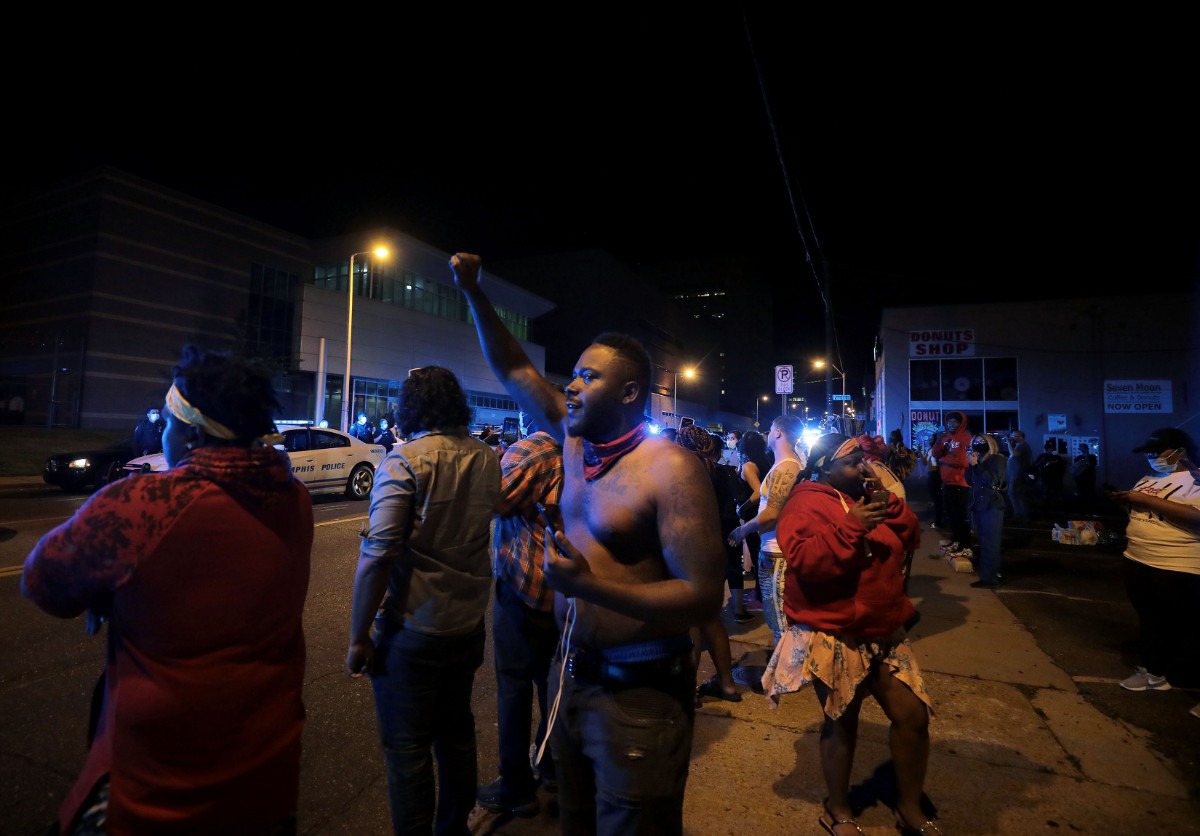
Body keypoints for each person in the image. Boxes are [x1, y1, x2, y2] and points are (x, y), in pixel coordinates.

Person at [451, 252, 724, 835]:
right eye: (573, 374)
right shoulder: (575, 448)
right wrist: (473, 292)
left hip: (641, 695)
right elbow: (516, 372)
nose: (570, 386)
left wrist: (587, 587)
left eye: (588, 377)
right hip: (570, 673)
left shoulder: (670, 469)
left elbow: (703, 596)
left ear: (629, 394)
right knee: (573, 820)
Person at [22, 344, 314, 835]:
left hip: (158, 791)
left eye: (168, 423)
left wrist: (105, 594)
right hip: (266, 778)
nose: (162, 432)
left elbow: (42, 582)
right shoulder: (294, 501)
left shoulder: (142, 504)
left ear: (193, 432)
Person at [345, 366, 502, 835]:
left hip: (412, 627)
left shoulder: (405, 460)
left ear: (409, 407)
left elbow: (379, 556)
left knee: (408, 751)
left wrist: (357, 638)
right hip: (467, 624)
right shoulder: (487, 457)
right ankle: (453, 829)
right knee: (456, 735)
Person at [762, 433, 937, 836]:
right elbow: (806, 562)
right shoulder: (806, 501)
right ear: (824, 465)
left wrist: (887, 503)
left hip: (884, 631)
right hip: (836, 633)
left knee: (912, 716)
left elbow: (910, 536)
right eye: (853, 460)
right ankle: (839, 810)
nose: (863, 466)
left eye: (864, 459)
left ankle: (909, 808)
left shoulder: (865, 494)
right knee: (843, 721)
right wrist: (850, 528)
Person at [477, 410, 564, 818]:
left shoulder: (534, 449)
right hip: (566, 593)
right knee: (554, 683)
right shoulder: (582, 448)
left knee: (514, 686)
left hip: (524, 586)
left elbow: (489, 499)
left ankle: (516, 785)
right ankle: (553, 767)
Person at [1107, 427, 1200, 707]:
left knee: (1186, 626)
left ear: (1180, 452)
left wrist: (1145, 499)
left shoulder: (1194, 479)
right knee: (1150, 619)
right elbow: (1145, 513)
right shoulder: (1150, 477)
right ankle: (1154, 674)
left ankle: (1186, 678)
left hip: (1177, 564)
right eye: (1147, 453)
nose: (1150, 457)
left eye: (1156, 452)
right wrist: (1126, 502)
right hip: (1139, 558)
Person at [675, 425, 745, 704]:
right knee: (711, 620)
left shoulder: (682, 472)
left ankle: (688, 690)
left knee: (690, 622)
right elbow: (733, 511)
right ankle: (727, 684)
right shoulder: (723, 472)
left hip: (688, 552)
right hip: (717, 552)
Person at [728, 415, 806, 649]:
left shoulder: (787, 466)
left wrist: (743, 530)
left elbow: (772, 513)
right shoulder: (784, 463)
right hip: (772, 550)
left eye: (771, 429)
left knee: (780, 621)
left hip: (777, 553)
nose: (768, 433)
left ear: (779, 433)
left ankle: (785, 676)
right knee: (777, 618)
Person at [967, 433, 1007, 589]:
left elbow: (993, 481)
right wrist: (971, 464)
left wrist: (977, 465)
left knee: (991, 543)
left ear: (990, 443)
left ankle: (990, 578)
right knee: (984, 542)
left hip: (992, 506)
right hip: (979, 506)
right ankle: (989, 573)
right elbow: (969, 480)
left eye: (982, 441)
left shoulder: (997, 459)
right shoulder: (980, 460)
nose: (978, 444)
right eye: (975, 442)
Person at [930, 411, 972, 558]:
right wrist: (938, 441)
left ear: (961, 423)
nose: (951, 424)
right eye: (949, 421)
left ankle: (966, 545)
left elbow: (963, 461)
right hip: (947, 482)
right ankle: (956, 541)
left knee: (961, 516)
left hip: (960, 483)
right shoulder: (947, 438)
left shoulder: (966, 438)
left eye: (955, 422)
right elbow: (935, 454)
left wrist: (944, 460)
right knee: (952, 515)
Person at [736, 430, 773, 594]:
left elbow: (758, 491)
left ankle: (760, 593)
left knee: (756, 551)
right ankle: (764, 591)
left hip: (754, 513)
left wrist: (742, 508)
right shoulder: (767, 461)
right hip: (767, 511)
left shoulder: (749, 466)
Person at [1033, 439, 1066, 518]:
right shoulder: (1043, 456)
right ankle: (1045, 510)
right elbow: (1036, 465)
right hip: (1045, 478)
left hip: (1056, 479)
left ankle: (1056, 510)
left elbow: (1063, 466)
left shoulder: (1057, 457)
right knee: (1046, 494)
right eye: (1049, 449)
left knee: (1056, 495)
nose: (1051, 450)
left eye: (1052, 449)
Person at [1005, 429, 1033, 523]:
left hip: (1018, 475)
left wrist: (1009, 443)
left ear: (1021, 437)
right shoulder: (1019, 446)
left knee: (1016, 494)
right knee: (1016, 494)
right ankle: (1019, 514)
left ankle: (1020, 515)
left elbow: (1014, 454)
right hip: (1015, 475)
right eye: (1012, 436)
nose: (1012, 438)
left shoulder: (1022, 446)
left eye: (1015, 436)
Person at [924, 432, 946, 530]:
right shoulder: (930, 449)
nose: (930, 440)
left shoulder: (939, 450)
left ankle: (939, 521)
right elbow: (925, 462)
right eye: (930, 438)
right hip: (931, 474)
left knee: (938, 499)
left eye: (932, 438)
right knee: (935, 498)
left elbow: (938, 463)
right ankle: (938, 519)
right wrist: (920, 451)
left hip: (936, 475)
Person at [1072, 441, 1098, 514]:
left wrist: (1086, 455)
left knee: (1089, 492)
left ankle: (1088, 509)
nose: (1079, 448)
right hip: (1080, 478)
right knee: (1081, 492)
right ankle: (1082, 508)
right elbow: (1075, 467)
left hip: (1089, 477)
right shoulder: (1079, 457)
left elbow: (1090, 465)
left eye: (1081, 447)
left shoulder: (1092, 457)